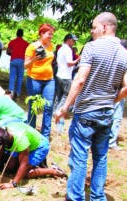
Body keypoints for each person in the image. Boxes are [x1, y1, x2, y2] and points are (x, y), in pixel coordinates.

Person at [55, 12, 127, 201]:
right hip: (107, 113)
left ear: (104, 27)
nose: (92, 31)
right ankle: (97, 197)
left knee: (79, 157)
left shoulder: (91, 47)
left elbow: (79, 80)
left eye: (94, 27)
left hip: (86, 111)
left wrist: (65, 107)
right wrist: (112, 100)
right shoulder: (124, 52)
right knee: (101, 157)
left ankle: (75, 198)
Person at [0, 123, 67, 189]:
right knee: (10, 167)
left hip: (39, 147)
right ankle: (39, 164)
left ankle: (52, 171)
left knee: (25, 173)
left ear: (4, 143)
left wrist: (13, 183)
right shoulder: (1, 134)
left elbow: (24, 164)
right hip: (21, 147)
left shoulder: (20, 140)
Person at [24, 24, 55, 140]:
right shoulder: (32, 47)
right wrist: (35, 58)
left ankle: (45, 134)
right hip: (34, 79)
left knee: (49, 106)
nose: (51, 36)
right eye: (49, 34)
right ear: (42, 33)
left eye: (52, 34)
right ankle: (31, 131)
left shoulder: (51, 46)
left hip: (49, 80)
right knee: (34, 106)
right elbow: (25, 65)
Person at [54, 34, 80, 132]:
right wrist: (78, 60)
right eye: (73, 41)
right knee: (65, 97)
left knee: (58, 96)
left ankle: (55, 111)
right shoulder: (68, 50)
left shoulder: (60, 49)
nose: (74, 43)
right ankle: (59, 113)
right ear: (68, 40)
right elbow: (69, 63)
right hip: (66, 76)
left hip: (59, 74)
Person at [109, 39, 127, 150]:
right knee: (116, 117)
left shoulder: (112, 56)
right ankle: (111, 142)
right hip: (118, 92)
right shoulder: (124, 58)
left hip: (107, 91)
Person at [7, 29, 29, 100]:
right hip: (22, 61)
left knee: (12, 77)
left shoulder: (12, 42)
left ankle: (11, 92)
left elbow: (7, 52)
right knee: (20, 77)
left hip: (13, 60)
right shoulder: (26, 43)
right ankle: (17, 93)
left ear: (16, 34)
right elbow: (28, 54)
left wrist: (13, 54)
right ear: (22, 34)